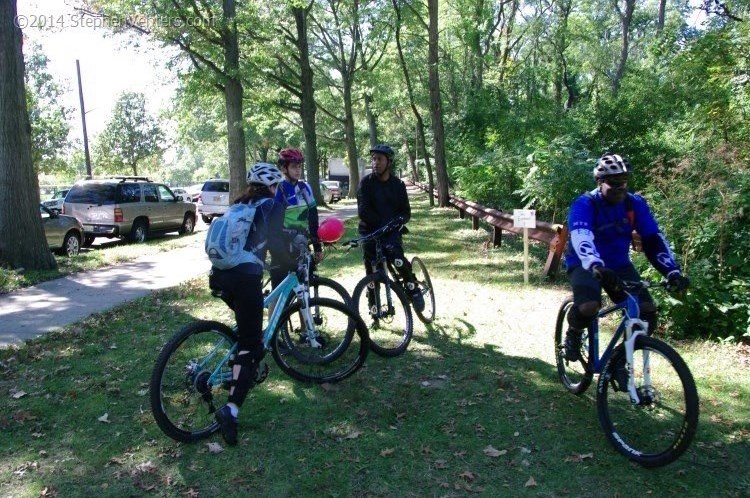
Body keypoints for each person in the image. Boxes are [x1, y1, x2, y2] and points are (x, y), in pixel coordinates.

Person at [563, 153, 690, 361]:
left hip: (618, 264)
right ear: (600, 182)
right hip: (584, 262)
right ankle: (574, 333)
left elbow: (653, 239)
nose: (621, 188)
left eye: (624, 182)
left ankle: (619, 359)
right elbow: (581, 236)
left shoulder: (634, 204)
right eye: (614, 183)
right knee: (589, 306)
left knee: (646, 312)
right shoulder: (585, 204)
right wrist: (595, 264)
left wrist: (672, 271)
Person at [209, 162, 291, 446]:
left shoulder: (240, 204)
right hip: (244, 278)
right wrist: (293, 260)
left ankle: (237, 367)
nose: (278, 190)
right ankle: (230, 411)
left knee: (246, 330)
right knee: (252, 344)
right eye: (277, 185)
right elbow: (277, 244)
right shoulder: (272, 206)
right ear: (271, 186)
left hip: (220, 276)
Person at [356, 143, 424, 312]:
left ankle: (413, 288)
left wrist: (398, 222)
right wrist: (380, 224)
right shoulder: (366, 183)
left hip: (391, 232)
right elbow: (363, 211)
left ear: (389, 161)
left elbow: (406, 212)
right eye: (373, 159)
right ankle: (374, 307)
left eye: (379, 159)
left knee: (397, 258)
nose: (375, 163)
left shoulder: (398, 185)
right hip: (370, 232)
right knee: (372, 270)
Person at [270, 148, 323, 290]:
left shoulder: (304, 187)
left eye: (299, 166)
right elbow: (274, 222)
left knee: (305, 287)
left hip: (302, 243)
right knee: (279, 288)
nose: (298, 170)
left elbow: (313, 217)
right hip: (283, 245)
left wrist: (317, 247)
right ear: (283, 168)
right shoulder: (279, 189)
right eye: (293, 166)